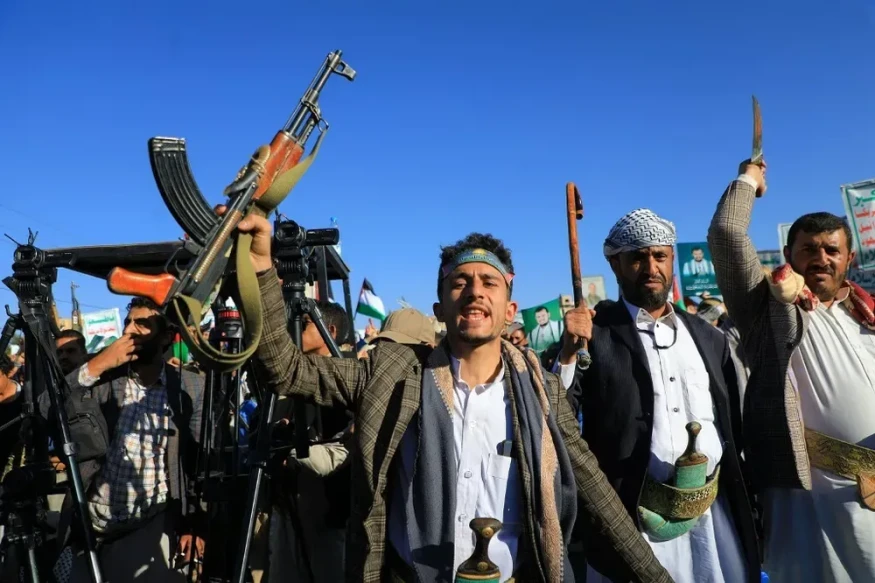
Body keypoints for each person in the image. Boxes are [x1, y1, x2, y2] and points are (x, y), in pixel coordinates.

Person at [235, 206, 670, 582]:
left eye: (489, 282)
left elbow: (599, 497)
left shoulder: (542, 392)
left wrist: (656, 577)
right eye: (460, 282)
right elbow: (285, 369)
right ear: (440, 309)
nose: (475, 291)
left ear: (509, 311)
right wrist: (260, 270)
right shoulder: (394, 375)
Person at [564, 208, 759, 583]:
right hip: (629, 523)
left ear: (671, 261)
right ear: (616, 265)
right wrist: (570, 353)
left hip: (711, 517)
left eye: (660, 256)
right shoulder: (595, 336)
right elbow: (561, 415)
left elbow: (734, 426)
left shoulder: (708, 337)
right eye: (638, 258)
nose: (651, 267)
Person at [709, 159, 875, 583]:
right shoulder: (768, 309)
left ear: (849, 258)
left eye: (832, 250)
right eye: (808, 249)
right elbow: (727, 233)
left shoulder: (867, 315)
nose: (821, 259)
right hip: (809, 500)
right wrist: (750, 180)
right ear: (788, 255)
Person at [58, 298, 205, 583]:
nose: (129, 331)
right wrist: (96, 366)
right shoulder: (103, 377)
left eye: (141, 324)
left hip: (148, 524)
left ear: (165, 337)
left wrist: (195, 523)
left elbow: (197, 462)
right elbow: (47, 409)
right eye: (127, 323)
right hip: (90, 524)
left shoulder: (191, 386)